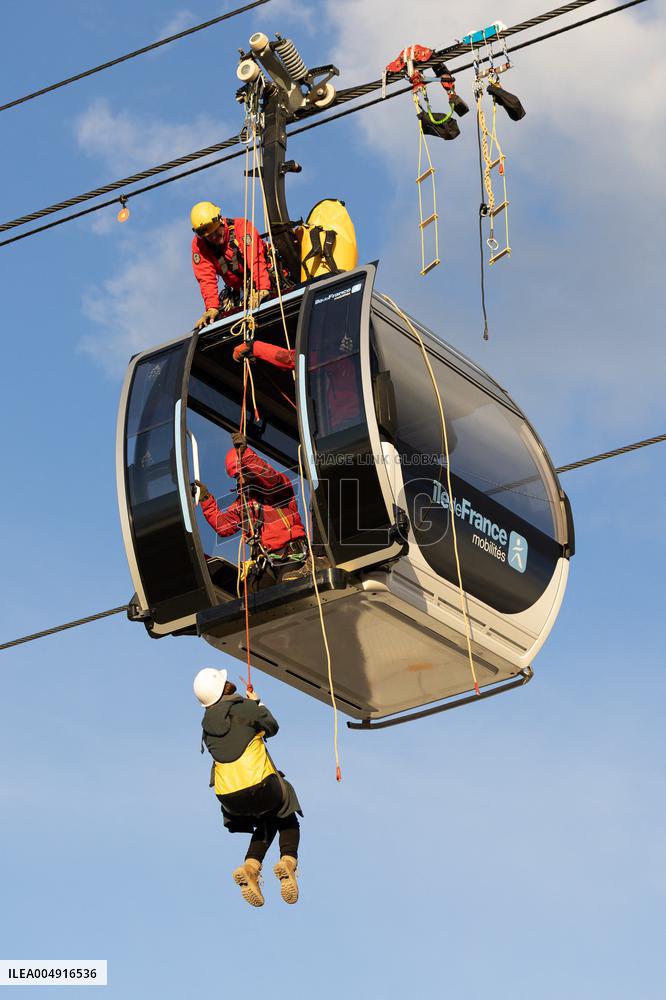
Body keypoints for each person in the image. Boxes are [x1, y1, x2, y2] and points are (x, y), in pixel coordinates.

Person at [194, 667, 303, 907]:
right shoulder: (244, 708)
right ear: (225, 688)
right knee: (287, 810)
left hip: (229, 798)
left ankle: (251, 867)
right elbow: (272, 727)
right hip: (260, 786)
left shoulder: (206, 727)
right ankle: (288, 862)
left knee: (268, 818)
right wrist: (258, 705)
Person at [195, 432, 309, 586]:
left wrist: (245, 454)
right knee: (251, 601)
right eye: (236, 477)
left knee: (287, 588)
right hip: (266, 564)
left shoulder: (278, 486)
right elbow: (223, 526)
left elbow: (270, 478)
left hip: (292, 557)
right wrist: (205, 499)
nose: (240, 479)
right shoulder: (243, 503)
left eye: (243, 473)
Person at [232, 339, 361, 435]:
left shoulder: (334, 357)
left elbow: (290, 359)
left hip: (344, 425)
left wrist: (254, 347)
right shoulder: (353, 357)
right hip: (351, 423)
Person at [190, 201, 272, 331]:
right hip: (240, 290)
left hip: (265, 278)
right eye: (209, 236)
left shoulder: (241, 228)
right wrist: (211, 307)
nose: (214, 237)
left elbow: (255, 259)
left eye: (216, 231)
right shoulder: (200, 246)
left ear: (221, 221)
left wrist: (262, 287)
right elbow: (205, 278)